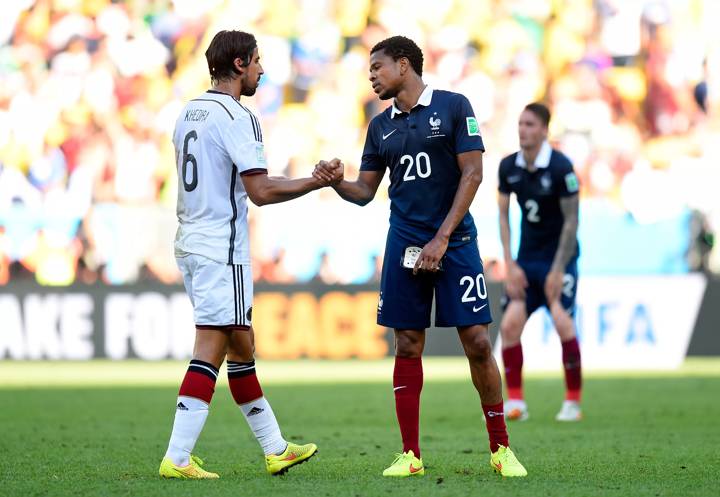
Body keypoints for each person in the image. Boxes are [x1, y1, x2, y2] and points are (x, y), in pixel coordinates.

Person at [314, 36, 526, 478]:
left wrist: (442, 237)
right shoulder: (379, 126)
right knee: (407, 342)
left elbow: (474, 172)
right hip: (404, 245)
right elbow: (365, 192)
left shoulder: (453, 106)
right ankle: (410, 455)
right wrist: (335, 182)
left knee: (479, 342)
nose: (371, 75)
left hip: (458, 243)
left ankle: (501, 448)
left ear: (404, 65)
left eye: (378, 67)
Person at [159, 30, 341, 479]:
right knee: (213, 344)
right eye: (257, 61)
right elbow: (259, 190)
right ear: (239, 65)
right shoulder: (238, 115)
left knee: (243, 343)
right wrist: (316, 182)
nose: (262, 70)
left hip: (190, 237)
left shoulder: (188, 111)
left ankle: (276, 448)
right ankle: (177, 457)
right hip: (222, 246)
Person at [497, 103, 582, 422]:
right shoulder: (508, 167)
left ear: (545, 129)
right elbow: (504, 217)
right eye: (520, 123)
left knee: (562, 321)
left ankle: (572, 402)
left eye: (530, 124)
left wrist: (559, 269)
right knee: (509, 325)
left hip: (560, 258)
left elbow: (572, 222)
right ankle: (516, 402)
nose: (523, 130)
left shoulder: (561, 168)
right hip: (527, 259)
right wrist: (510, 264)